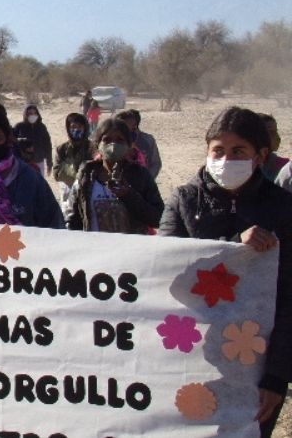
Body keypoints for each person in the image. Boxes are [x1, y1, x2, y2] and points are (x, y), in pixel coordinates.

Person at [159, 106, 292, 438]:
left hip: (256, 362)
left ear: (261, 156)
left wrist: (277, 378)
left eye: (238, 151)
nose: (226, 159)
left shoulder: (284, 208)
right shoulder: (184, 200)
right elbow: (165, 271)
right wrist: (234, 248)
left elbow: (289, 297)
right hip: (190, 353)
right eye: (218, 150)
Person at [66, 118, 163, 234]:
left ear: (129, 145)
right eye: (106, 140)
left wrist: (129, 196)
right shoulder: (86, 175)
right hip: (94, 245)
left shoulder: (140, 175)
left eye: (120, 140)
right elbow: (72, 218)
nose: (113, 145)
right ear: (97, 144)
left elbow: (159, 218)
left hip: (132, 245)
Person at [53, 113, 95, 218]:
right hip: (67, 192)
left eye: (79, 126)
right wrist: (76, 174)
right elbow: (57, 174)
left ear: (85, 128)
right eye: (73, 127)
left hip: (88, 191)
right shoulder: (62, 149)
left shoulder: (92, 148)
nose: (76, 130)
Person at [116, 109, 162, 179]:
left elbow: (156, 163)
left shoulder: (148, 140)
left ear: (135, 126)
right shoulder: (116, 141)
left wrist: (147, 179)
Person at [12, 104, 53, 177]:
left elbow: (48, 145)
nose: (33, 115)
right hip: (23, 162)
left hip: (39, 161)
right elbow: (12, 142)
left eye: (35, 113)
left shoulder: (41, 127)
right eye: (30, 113)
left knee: (39, 182)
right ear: (26, 115)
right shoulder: (19, 127)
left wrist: (49, 164)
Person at [258, 113, 288, 182]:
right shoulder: (243, 166)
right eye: (271, 132)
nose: (278, 138)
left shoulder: (284, 166)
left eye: (276, 132)